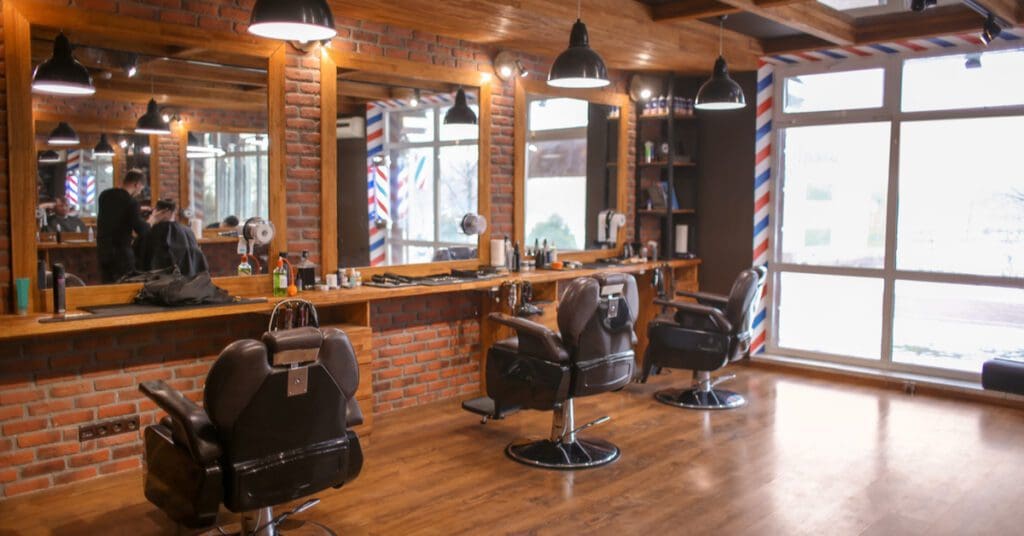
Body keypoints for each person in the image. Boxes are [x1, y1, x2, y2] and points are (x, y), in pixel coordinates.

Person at [96, 170, 164, 283]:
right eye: (141, 189)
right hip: (121, 255)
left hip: (103, 251)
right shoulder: (131, 202)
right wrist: (152, 220)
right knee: (124, 287)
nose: (139, 192)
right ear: (137, 184)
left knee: (107, 286)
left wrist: (137, 210)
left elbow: (115, 214)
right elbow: (142, 230)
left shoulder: (104, 195)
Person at [135, 199, 210, 277]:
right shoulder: (187, 231)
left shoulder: (149, 231)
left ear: (158, 211)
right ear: (174, 211)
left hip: (154, 279)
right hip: (186, 279)